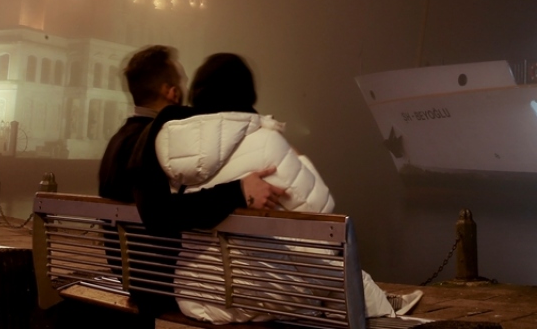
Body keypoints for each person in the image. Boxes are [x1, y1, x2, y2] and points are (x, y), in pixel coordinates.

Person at [140, 53, 422, 324]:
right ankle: (378, 307)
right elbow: (320, 211)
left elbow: (165, 211)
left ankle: (376, 303)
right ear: (245, 93)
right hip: (252, 299)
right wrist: (297, 156)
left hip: (194, 295)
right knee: (325, 254)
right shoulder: (264, 141)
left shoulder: (171, 151)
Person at [99, 45, 288, 233]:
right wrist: (239, 192)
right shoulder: (149, 142)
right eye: (184, 82)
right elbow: (162, 212)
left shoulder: (119, 141)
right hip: (158, 260)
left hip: (126, 259)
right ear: (171, 92)